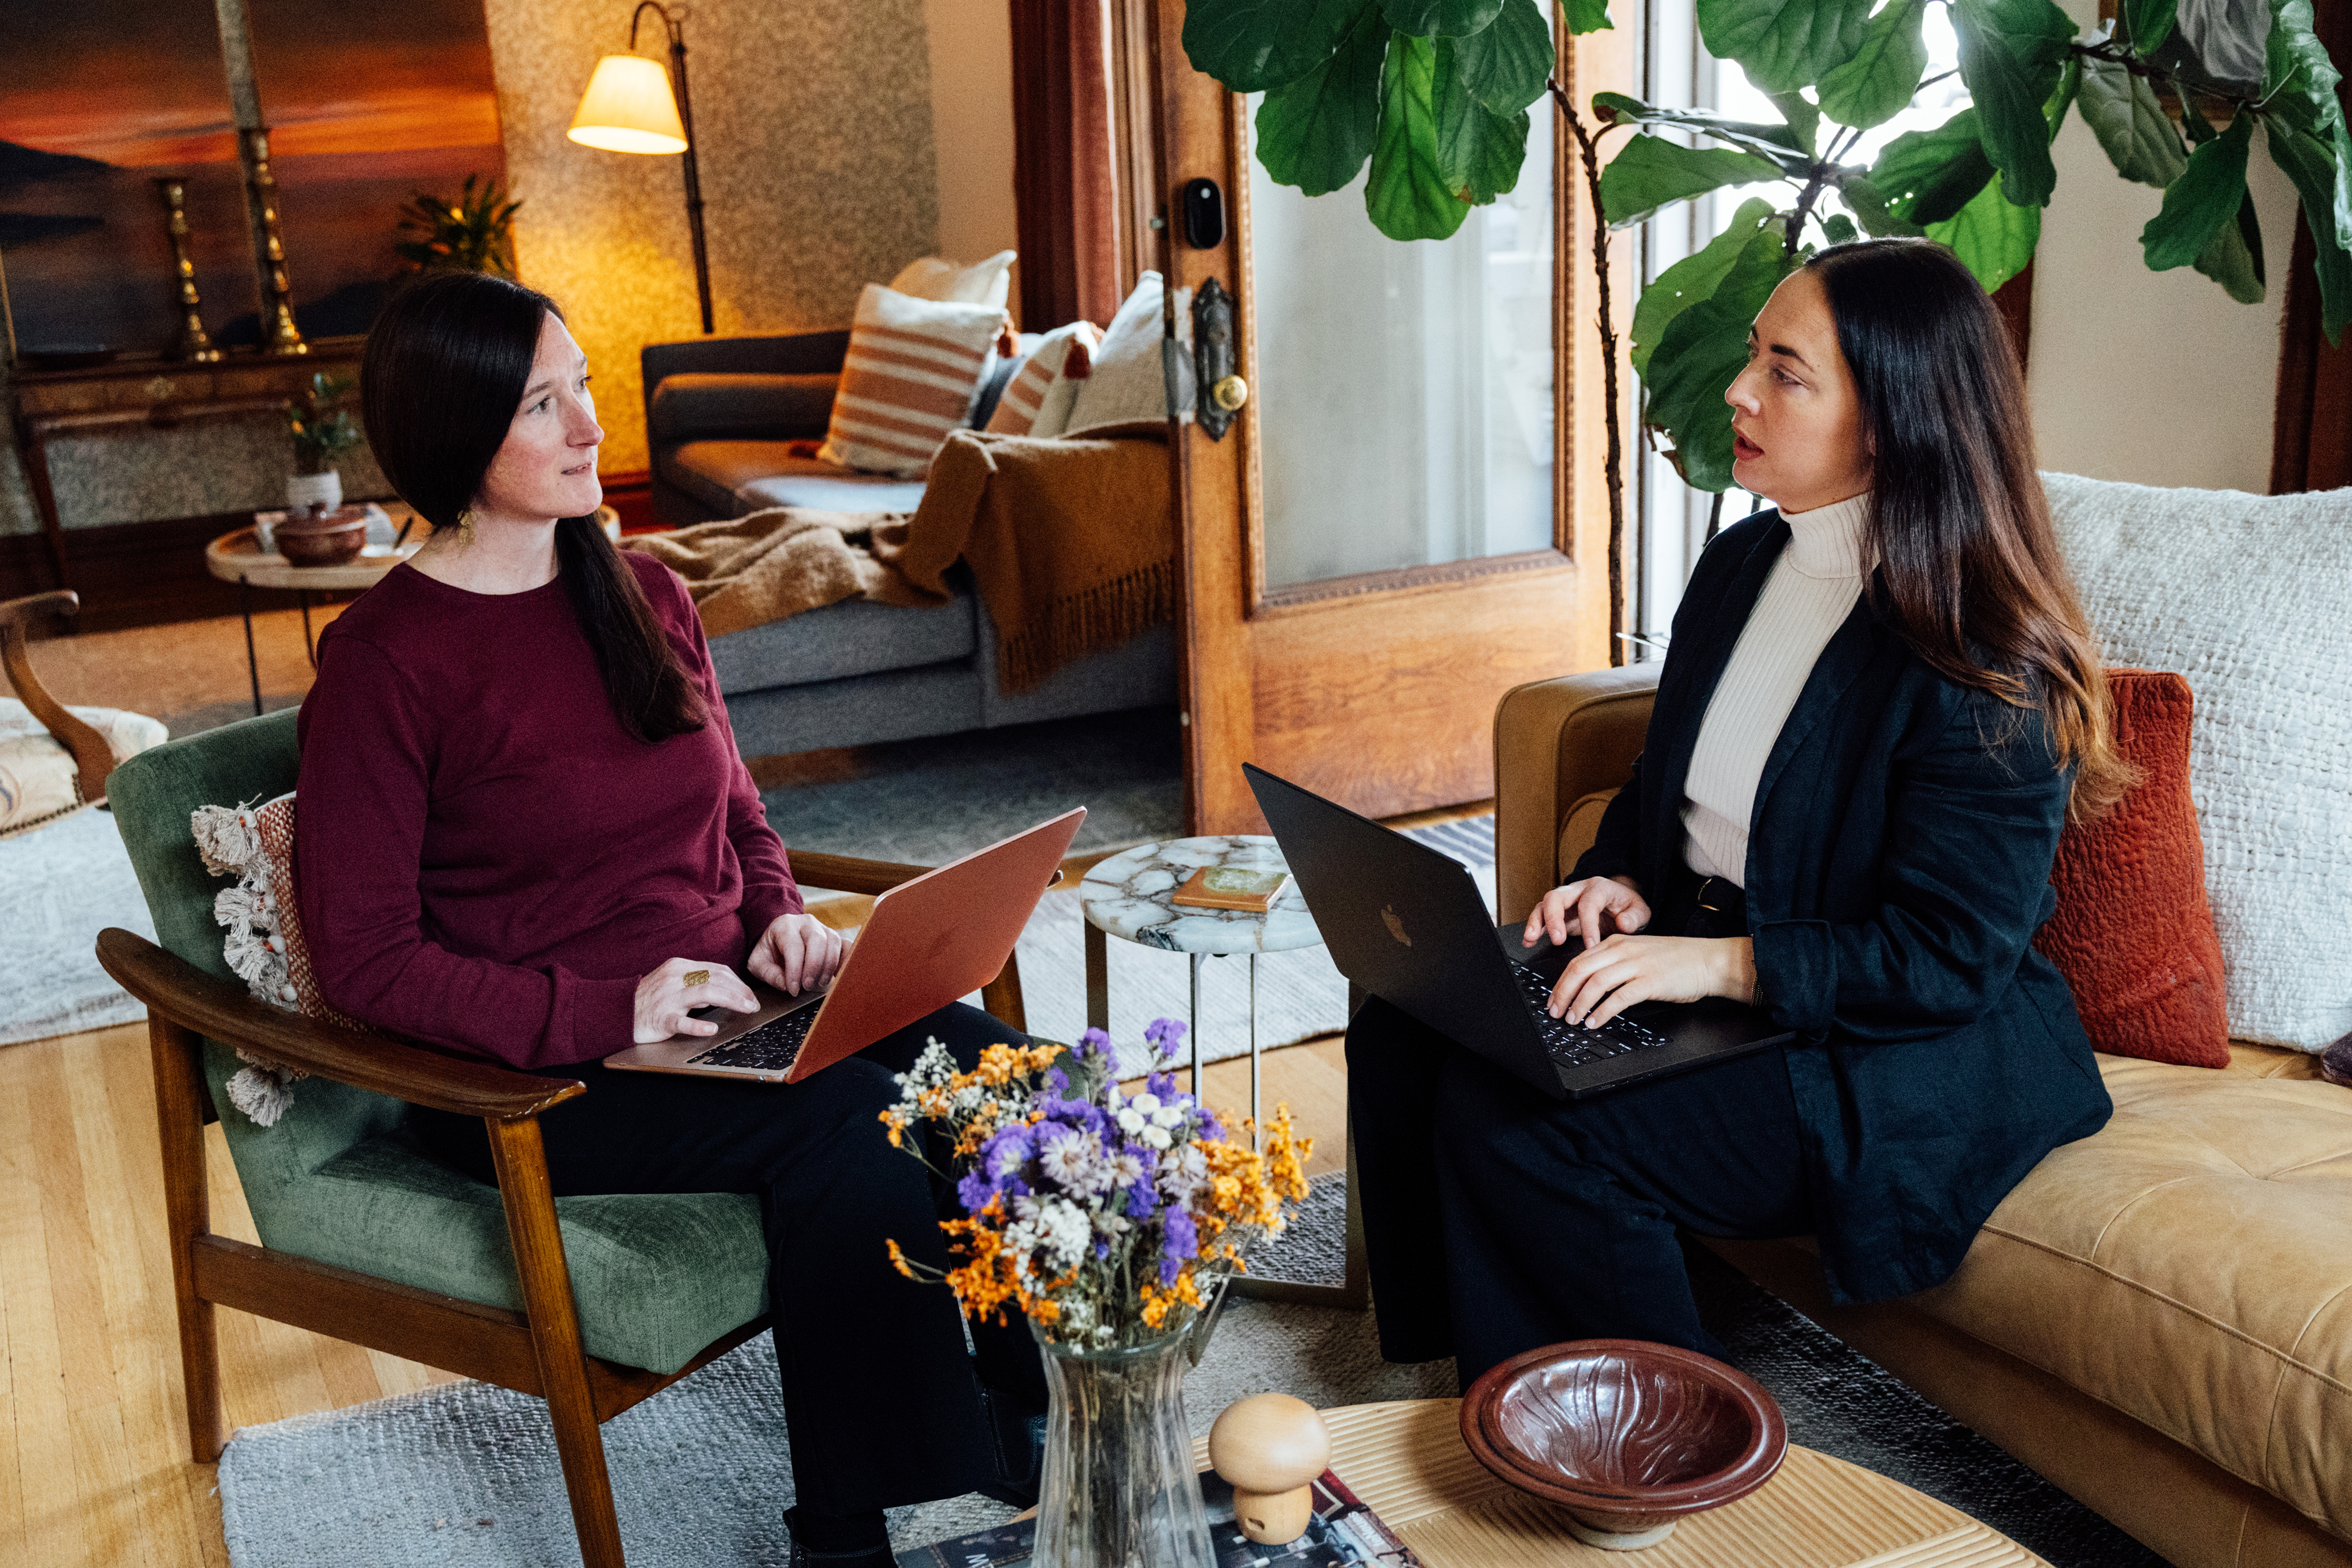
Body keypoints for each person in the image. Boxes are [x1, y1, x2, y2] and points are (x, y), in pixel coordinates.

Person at [294, 270, 1040, 1568]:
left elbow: (736, 805)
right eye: (545, 404)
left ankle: (1019, 1411)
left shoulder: (643, 592)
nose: (592, 426)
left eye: (583, 386)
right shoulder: (382, 663)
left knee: (997, 1074)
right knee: (856, 1129)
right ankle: (844, 1531)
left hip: (727, 1006)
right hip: (545, 1073)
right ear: (458, 433)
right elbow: (365, 959)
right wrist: (608, 1007)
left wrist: (779, 916)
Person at [1345, 239, 2127, 1387]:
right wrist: (1621, 876)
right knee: (1413, 1016)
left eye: (1785, 374)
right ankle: (1479, 1381)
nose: (1738, 390)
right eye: (1755, 356)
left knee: (1530, 1130)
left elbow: (1950, 958)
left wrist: (1717, 967)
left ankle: (1663, 1449)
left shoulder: (1982, 657)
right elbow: (1666, 781)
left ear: (1890, 420)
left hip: (1883, 1042)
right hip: (1719, 965)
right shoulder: (1743, 564)